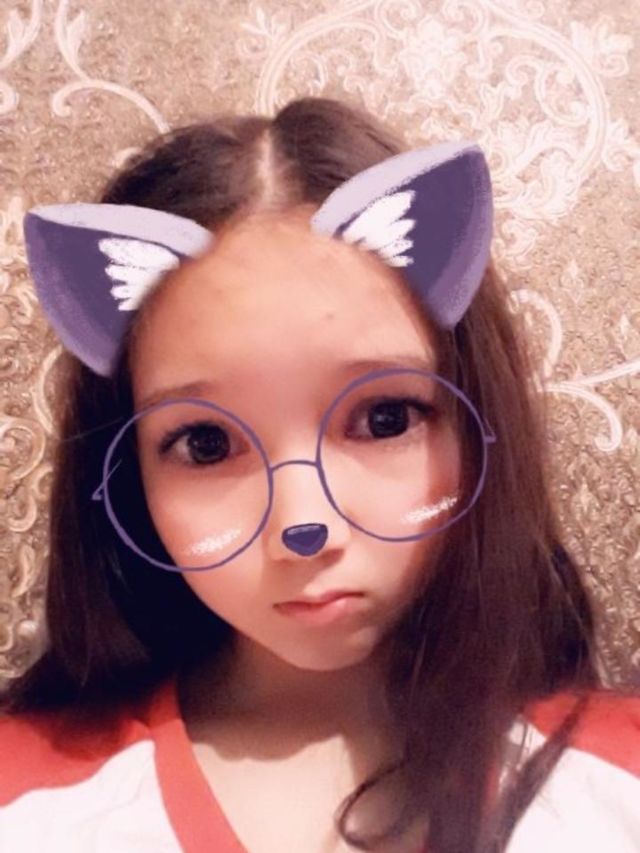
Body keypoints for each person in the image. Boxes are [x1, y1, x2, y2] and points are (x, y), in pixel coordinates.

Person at [0, 96, 638, 853]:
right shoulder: (28, 801)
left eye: (385, 419)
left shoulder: (616, 782)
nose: (305, 526)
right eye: (206, 443)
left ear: (475, 425)